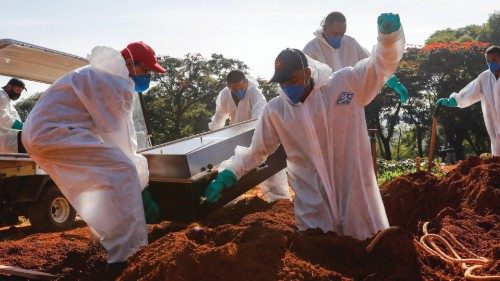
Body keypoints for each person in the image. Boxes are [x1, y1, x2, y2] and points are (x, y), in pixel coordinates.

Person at [204, 13, 405, 240]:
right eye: (283, 83)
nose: (288, 88)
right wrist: (228, 173)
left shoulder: (342, 85)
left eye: (293, 81)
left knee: (369, 247)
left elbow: (379, 66)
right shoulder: (277, 111)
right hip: (314, 209)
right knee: (319, 260)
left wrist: (389, 39)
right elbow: (256, 151)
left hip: (355, 197)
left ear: (308, 73)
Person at [22, 41, 165, 270]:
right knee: (123, 170)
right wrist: (139, 185)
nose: (147, 76)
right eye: (145, 70)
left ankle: (104, 239)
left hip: (40, 135)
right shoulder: (114, 82)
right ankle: (127, 256)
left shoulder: (97, 74)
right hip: (55, 134)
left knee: (94, 182)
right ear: (130, 63)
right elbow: (121, 140)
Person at [208, 70, 291, 202]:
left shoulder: (255, 94)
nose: (239, 91)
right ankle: (233, 200)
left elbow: (258, 118)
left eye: (241, 88)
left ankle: (278, 198)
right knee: (233, 167)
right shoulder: (225, 95)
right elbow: (219, 117)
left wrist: (255, 141)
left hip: (256, 134)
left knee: (268, 163)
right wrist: (213, 138)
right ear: (229, 87)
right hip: (235, 136)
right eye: (235, 89)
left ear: (246, 82)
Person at [303, 11, 408, 103]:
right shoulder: (311, 50)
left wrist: (393, 82)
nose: (339, 38)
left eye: (342, 34)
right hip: (324, 108)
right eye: (335, 33)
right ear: (325, 28)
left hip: (352, 104)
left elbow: (373, 64)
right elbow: (304, 83)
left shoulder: (350, 43)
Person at [437, 45, 500, 156]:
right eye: (488, 61)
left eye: (494, 60)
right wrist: (452, 101)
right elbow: (469, 93)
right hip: (495, 133)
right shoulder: (484, 78)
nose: (491, 64)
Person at [0, 78, 27, 153]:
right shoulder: (1, 97)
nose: (19, 93)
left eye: (21, 91)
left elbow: (15, 119)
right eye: (18, 89)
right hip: (4, 140)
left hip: (9, 141)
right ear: (9, 86)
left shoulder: (7, 101)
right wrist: (25, 126)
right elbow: (4, 119)